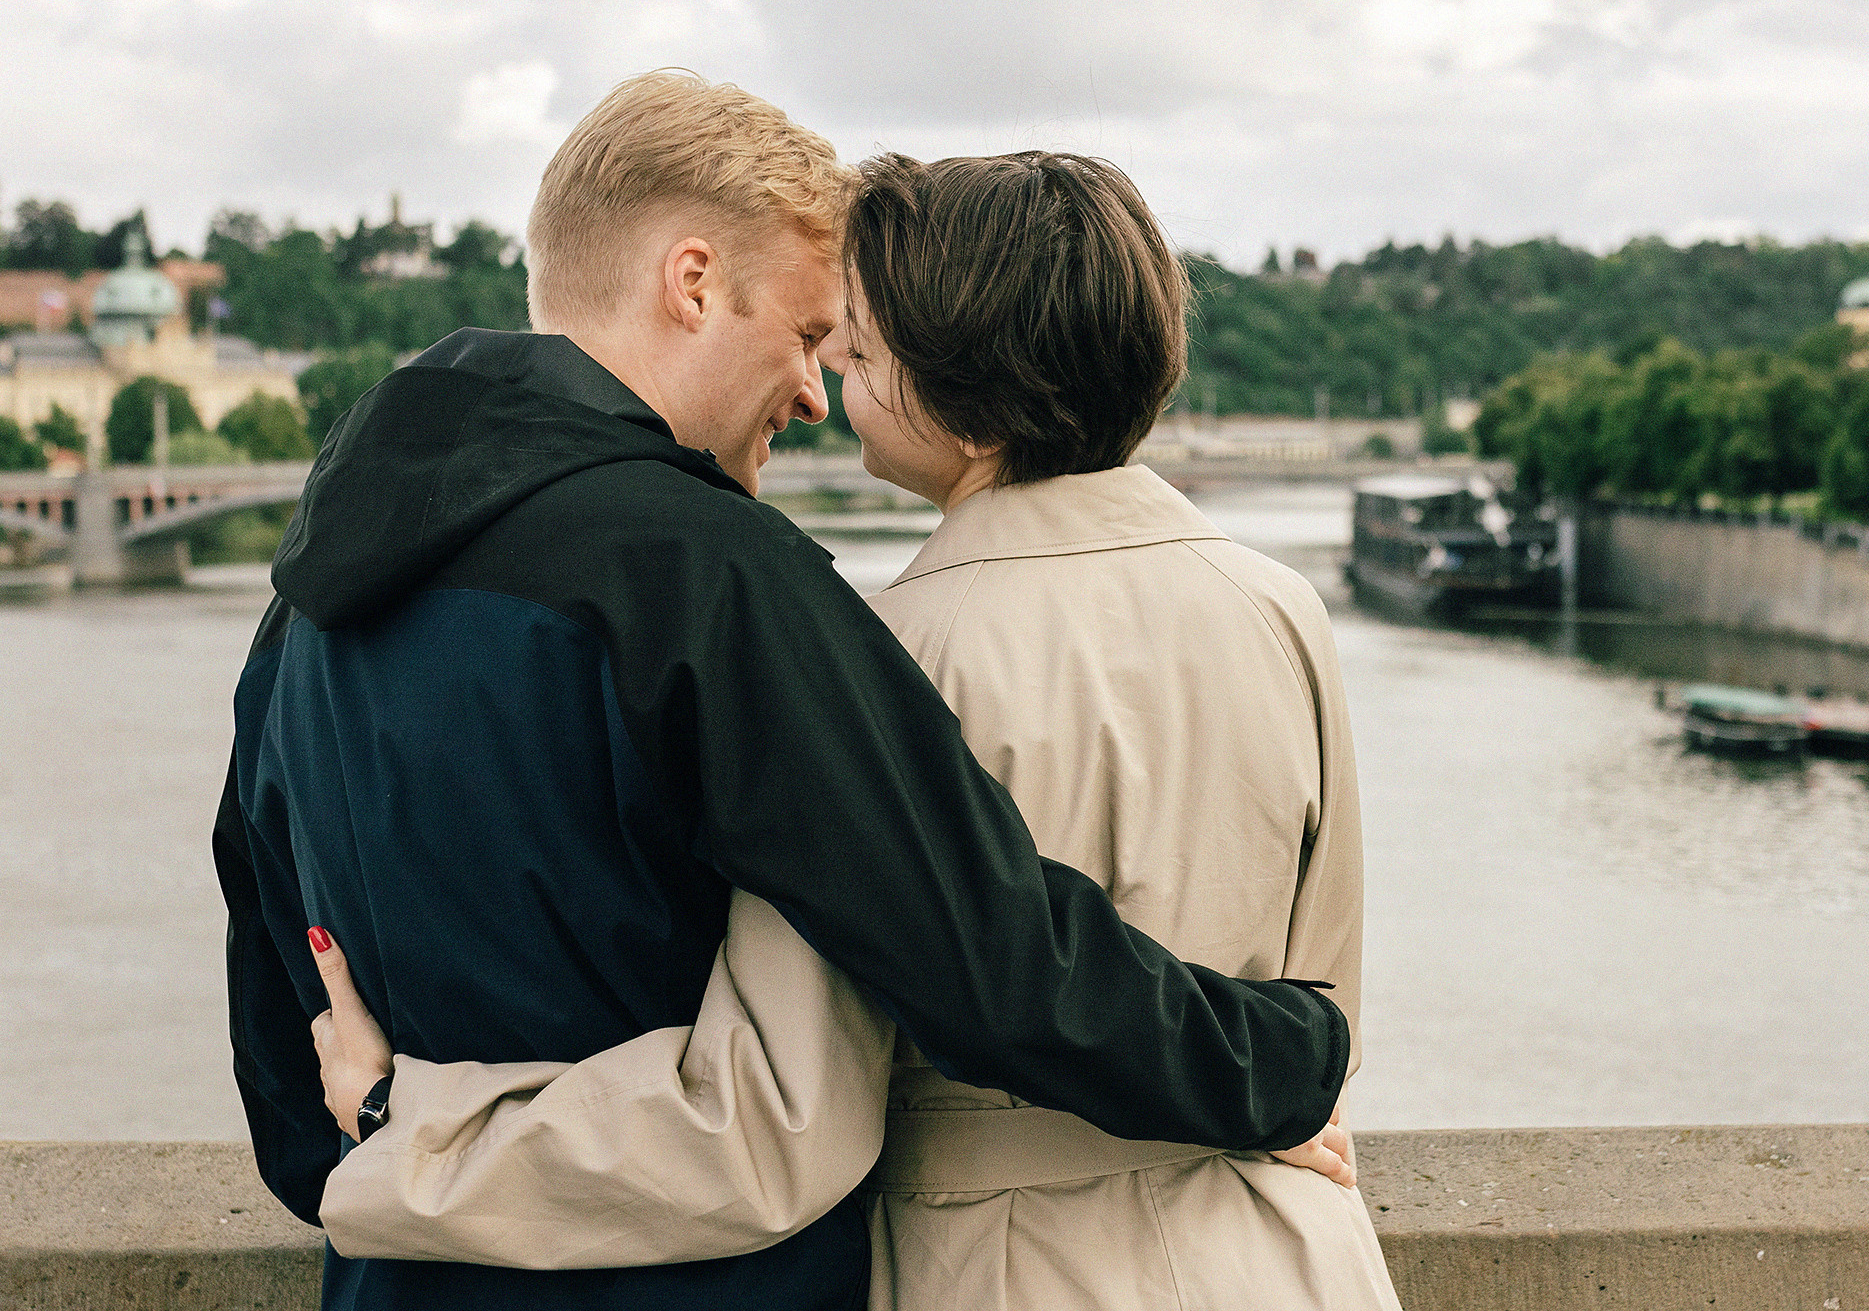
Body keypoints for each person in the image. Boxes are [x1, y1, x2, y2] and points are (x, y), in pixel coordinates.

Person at [213, 71, 1352, 1311]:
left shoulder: (307, 606)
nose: (816, 393)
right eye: (810, 337)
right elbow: (982, 950)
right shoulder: (710, 577)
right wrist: (1280, 1064)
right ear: (692, 283)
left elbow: (285, 1072)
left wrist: (390, 1123)